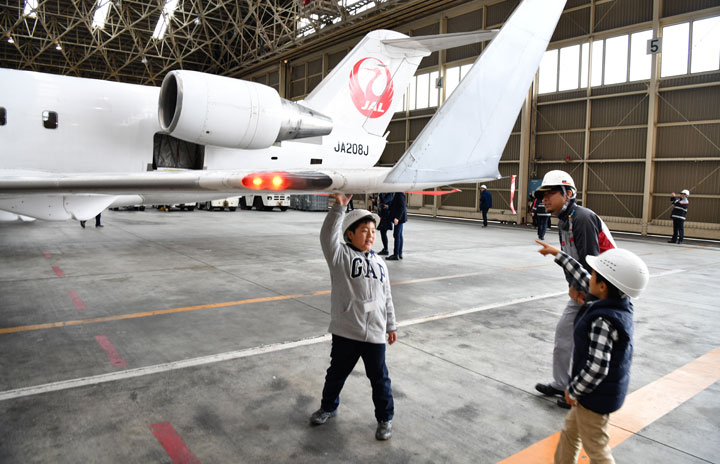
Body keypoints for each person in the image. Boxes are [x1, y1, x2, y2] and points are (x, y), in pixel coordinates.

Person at [536, 241, 649, 463]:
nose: (590, 277)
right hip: (598, 394)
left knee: (597, 449)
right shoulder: (618, 304)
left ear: (604, 287)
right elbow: (584, 278)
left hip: (594, 396)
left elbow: (597, 367)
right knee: (570, 434)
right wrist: (559, 255)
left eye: (595, 274)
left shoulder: (603, 321)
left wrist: (574, 390)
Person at [310, 193, 397, 441]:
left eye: (373, 231)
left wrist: (391, 324)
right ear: (349, 234)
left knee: (380, 379)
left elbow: (387, 296)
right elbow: (327, 236)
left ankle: (385, 418)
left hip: (376, 332)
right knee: (336, 373)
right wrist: (340, 207)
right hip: (347, 330)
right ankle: (328, 407)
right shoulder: (340, 258)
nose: (370, 235)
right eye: (364, 230)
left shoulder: (381, 264)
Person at [533, 170, 616, 409]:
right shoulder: (563, 220)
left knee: (588, 343)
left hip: (603, 290)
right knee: (563, 334)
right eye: (543, 195)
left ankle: (580, 393)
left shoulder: (582, 218)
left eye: (549, 193)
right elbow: (570, 257)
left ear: (567, 193)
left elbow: (593, 264)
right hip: (583, 287)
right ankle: (561, 383)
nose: (544, 199)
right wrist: (573, 288)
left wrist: (586, 293)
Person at [386, 192, 406, 261]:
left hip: (399, 219)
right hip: (400, 218)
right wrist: (388, 207)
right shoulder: (396, 193)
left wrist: (397, 218)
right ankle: (399, 253)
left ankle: (396, 254)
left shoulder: (399, 194)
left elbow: (402, 207)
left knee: (396, 235)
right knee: (399, 235)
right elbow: (395, 204)